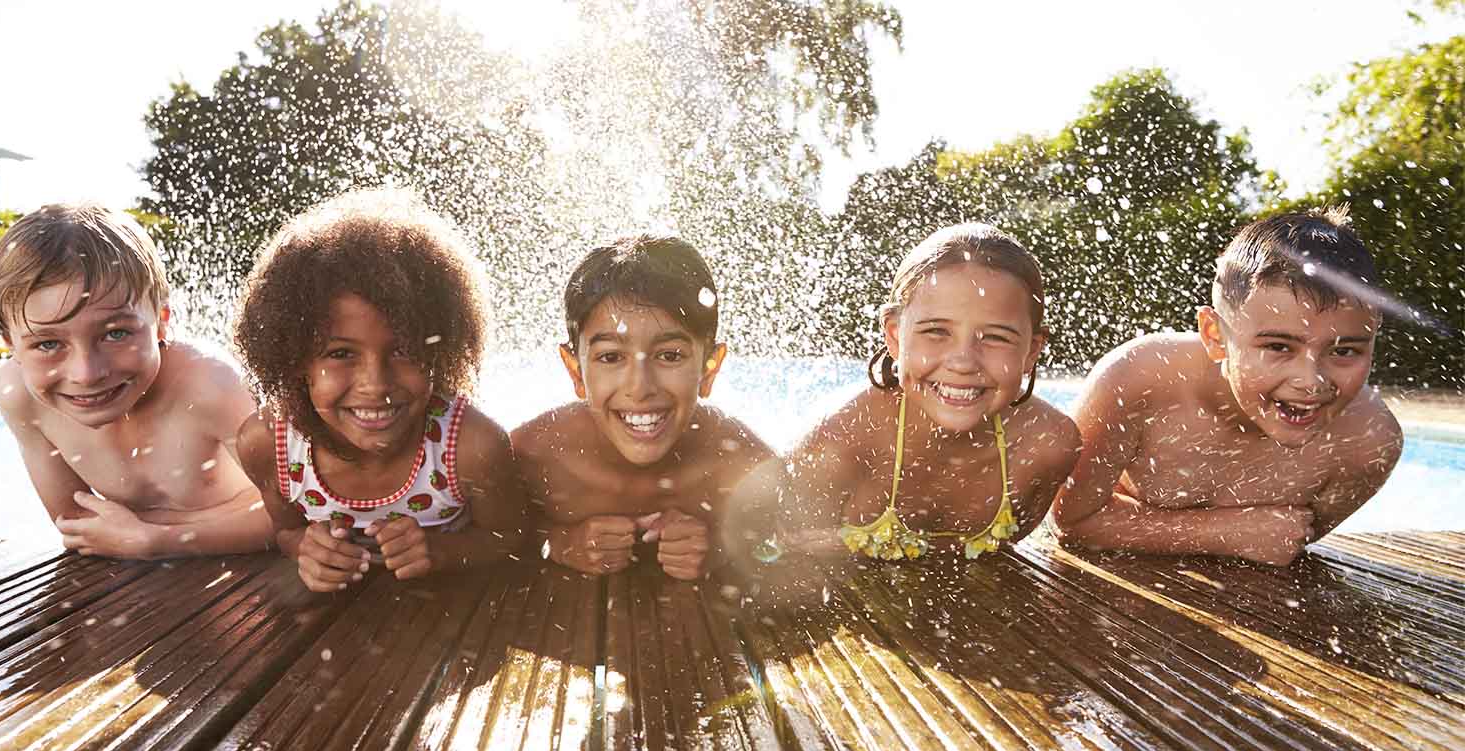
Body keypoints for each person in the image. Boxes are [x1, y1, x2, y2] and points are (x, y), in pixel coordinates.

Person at [1051, 208, 1403, 566]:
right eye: (1278, 347)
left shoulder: (1368, 442)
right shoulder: (1140, 378)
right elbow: (1073, 520)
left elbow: (1283, 542)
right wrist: (1223, 531)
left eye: (1344, 351)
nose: (1311, 382)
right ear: (1215, 335)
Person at [233, 189, 525, 592]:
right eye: (340, 353)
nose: (376, 383)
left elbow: (511, 539)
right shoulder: (267, 443)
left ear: (440, 350)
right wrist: (306, 549)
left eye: (403, 350)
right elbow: (286, 531)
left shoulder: (471, 447)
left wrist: (442, 551)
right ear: (295, 357)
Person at [774, 223, 1079, 561]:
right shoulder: (846, 435)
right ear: (894, 336)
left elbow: (999, 553)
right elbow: (771, 552)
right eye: (936, 331)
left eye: (995, 337)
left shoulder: (1048, 444)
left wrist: (915, 550)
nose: (963, 362)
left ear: (1032, 350)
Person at [0, 203, 272, 558]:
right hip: (146, 579)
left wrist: (156, 540)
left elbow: (302, 514)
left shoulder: (209, 384)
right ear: (10, 343)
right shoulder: (19, 395)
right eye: (47, 343)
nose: (87, 373)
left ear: (161, 320)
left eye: (116, 334)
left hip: (260, 572)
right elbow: (79, 528)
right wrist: (203, 525)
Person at [512, 235, 772, 580]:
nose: (640, 387)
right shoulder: (535, 456)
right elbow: (490, 536)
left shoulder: (741, 463)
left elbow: (791, 540)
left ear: (710, 368)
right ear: (575, 370)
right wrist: (558, 543)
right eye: (610, 357)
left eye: (669, 356)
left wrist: (724, 547)